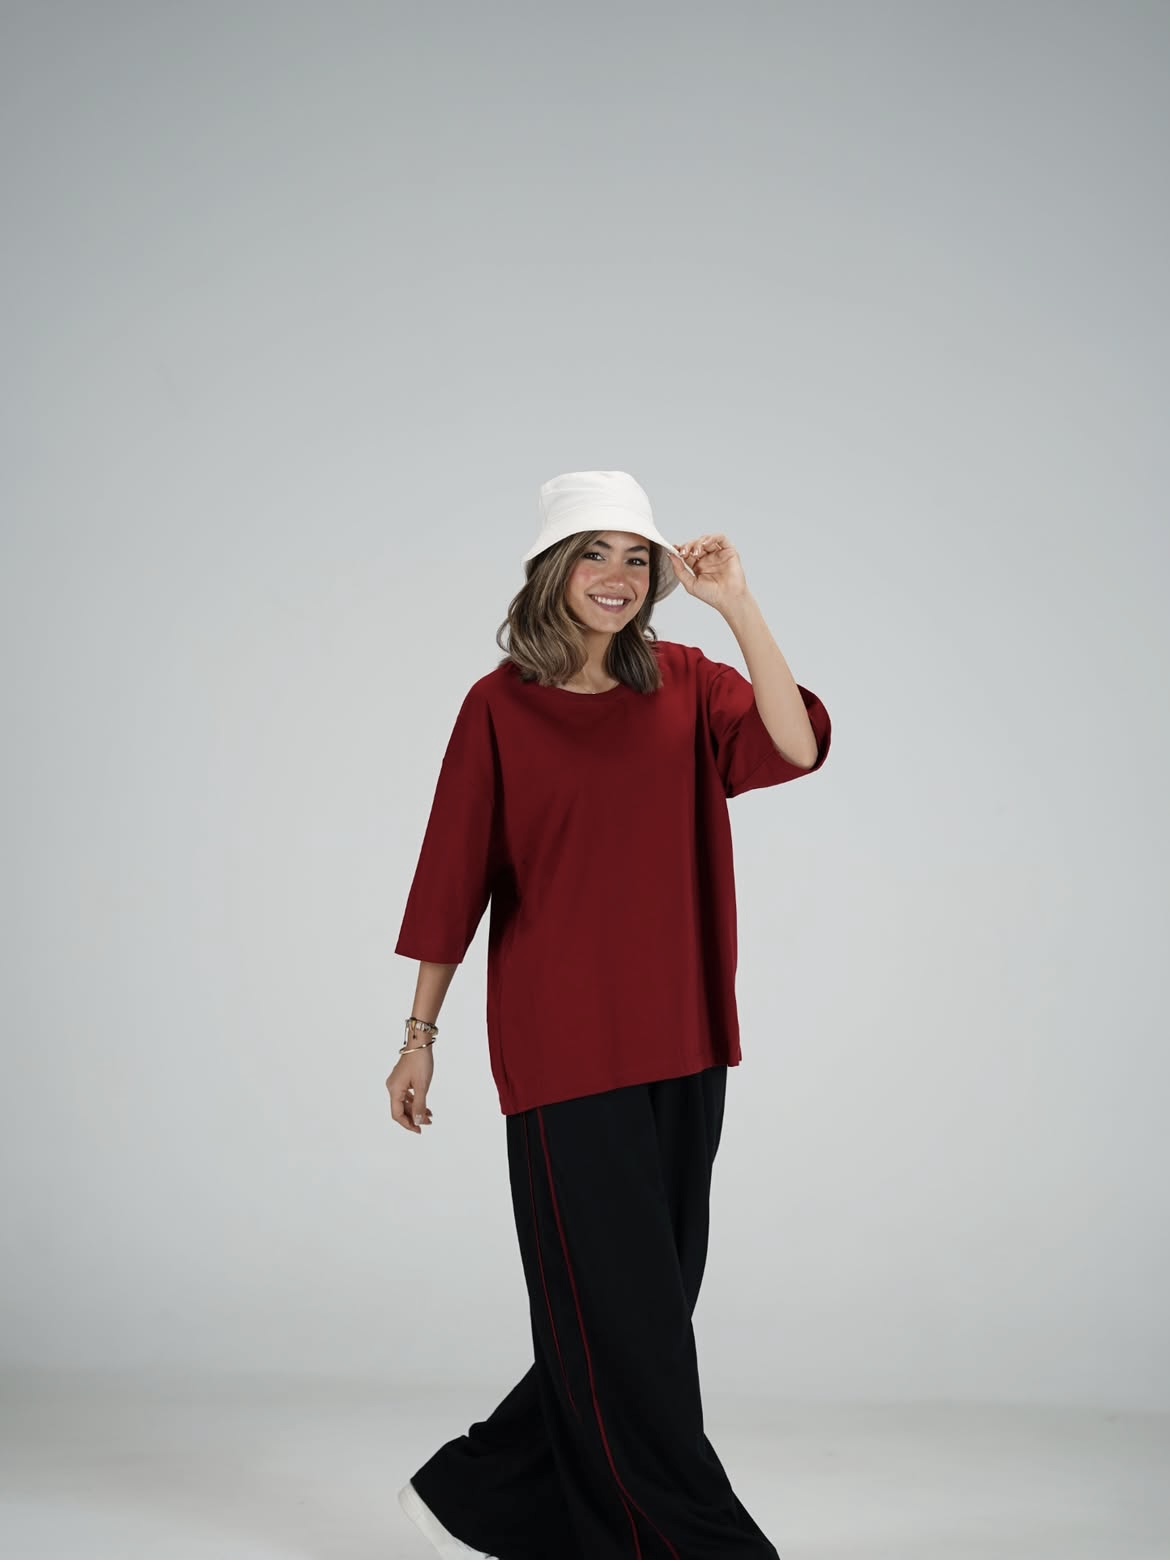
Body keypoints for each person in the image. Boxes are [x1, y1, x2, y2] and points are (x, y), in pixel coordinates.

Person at [387, 470, 832, 1559]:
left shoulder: (686, 683)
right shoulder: (498, 706)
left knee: (643, 1307)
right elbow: (451, 877)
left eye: (637, 559)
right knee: (623, 1315)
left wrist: (738, 606)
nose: (618, 577)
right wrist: (418, 1037)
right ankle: (684, 1542)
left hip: (686, 1035)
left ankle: (478, 1493)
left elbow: (797, 744)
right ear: (553, 569)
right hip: (562, 1046)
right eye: (595, 553)